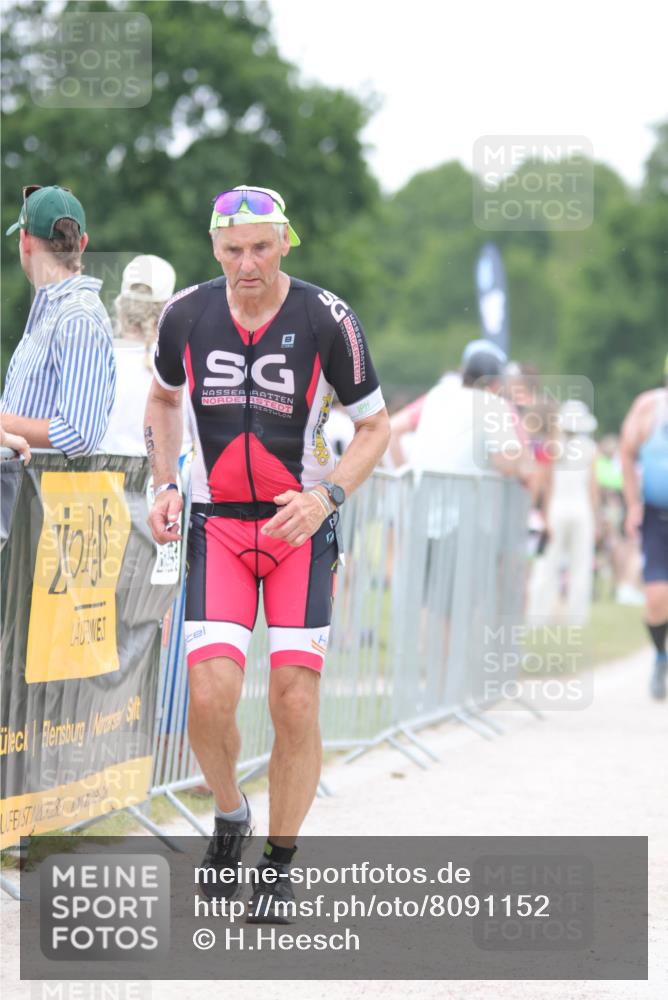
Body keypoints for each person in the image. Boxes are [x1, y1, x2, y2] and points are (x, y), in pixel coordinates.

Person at [144, 185, 390, 919]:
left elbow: (375, 429)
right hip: (216, 526)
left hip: (299, 533)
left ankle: (279, 863)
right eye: (231, 249)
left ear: (286, 241)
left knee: (293, 699)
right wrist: (163, 480)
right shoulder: (185, 313)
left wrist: (326, 498)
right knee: (211, 695)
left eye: (259, 247)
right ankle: (229, 813)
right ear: (214, 248)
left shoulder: (327, 317)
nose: (246, 264)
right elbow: (161, 398)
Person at [1, 185, 115, 456]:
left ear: (25, 240)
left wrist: (4, 423)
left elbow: (79, 434)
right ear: (83, 242)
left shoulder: (78, 316)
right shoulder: (56, 311)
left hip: (40, 497)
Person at [101, 254, 192, 456]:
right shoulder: (185, 361)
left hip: (105, 482)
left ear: (121, 306)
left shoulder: (97, 360)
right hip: (168, 483)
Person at [620, 357, 668, 699]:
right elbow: (625, 453)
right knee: (656, 599)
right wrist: (633, 503)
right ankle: (660, 656)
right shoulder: (649, 407)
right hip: (656, 515)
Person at [411, 339, 525, 478]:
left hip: (421, 491)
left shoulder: (437, 393)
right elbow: (507, 465)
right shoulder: (493, 403)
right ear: (495, 382)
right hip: (463, 495)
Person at [529, 399, 599, 625]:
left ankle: (538, 614)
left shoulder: (553, 447)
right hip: (581, 509)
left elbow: (547, 484)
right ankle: (576, 617)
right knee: (580, 565)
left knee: (547, 563)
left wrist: (545, 515)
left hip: (558, 508)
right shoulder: (590, 449)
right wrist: (596, 519)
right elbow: (592, 488)